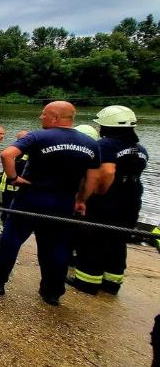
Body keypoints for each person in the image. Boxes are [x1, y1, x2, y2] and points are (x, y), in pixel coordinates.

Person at [0, 101, 100, 306]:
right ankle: (52, 291)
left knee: (12, 240)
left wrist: (13, 178)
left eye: (43, 114)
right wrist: (81, 200)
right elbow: (92, 179)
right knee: (56, 247)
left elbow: (7, 154)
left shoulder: (39, 136)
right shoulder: (90, 144)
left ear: (54, 117)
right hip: (63, 202)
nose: (40, 117)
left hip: (31, 197)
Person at [68, 106, 148, 295]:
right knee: (118, 239)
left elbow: (107, 172)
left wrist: (89, 196)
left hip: (108, 200)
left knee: (93, 238)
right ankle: (112, 281)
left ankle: (87, 280)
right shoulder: (139, 149)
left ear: (107, 126)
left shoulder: (106, 145)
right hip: (132, 198)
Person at [0, 130, 29, 223]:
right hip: (6, 188)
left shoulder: (29, 153)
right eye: (20, 139)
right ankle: (5, 231)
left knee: (15, 213)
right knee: (6, 212)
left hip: (18, 188)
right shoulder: (12, 151)